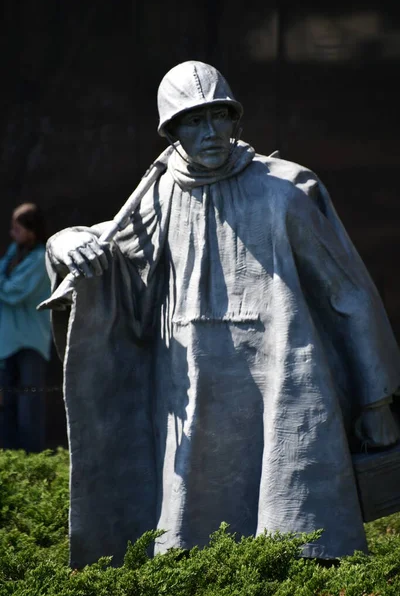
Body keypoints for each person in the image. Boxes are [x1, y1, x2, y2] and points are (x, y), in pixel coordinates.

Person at [45, 61, 400, 567]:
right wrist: (64, 242)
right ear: (171, 132)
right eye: (192, 120)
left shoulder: (284, 192)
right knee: (192, 542)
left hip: (287, 382)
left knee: (299, 538)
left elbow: (348, 293)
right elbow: (112, 261)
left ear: (236, 121)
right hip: (191, 389)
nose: (209, 132)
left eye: (218, 116)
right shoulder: (160, 195)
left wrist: (375, 400)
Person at [0, 203, 52, 452]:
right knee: (7, 404)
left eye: (17, 229)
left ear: (31, 231)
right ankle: (12, 462)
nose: (13, 234)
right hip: (8, 344)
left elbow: (12, 292)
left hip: (31, 343)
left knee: (28, 406)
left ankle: (33, 463)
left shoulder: (41, 258)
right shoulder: (15, 251)